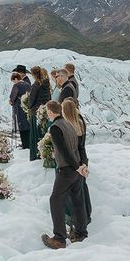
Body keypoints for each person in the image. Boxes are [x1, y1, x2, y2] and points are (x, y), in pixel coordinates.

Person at [41, 101, 88, 249]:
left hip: (67, 170)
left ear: (50, 111)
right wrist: (82, 165)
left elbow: (63, 151)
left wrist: (76, 167)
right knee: (77, 200)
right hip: (76, 171)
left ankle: (59, 238)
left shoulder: (55, 127)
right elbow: (79, 147)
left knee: (55, 200)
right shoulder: (69, 124)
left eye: (47, 112)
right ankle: (81, 233)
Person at [62, 98, 92, 232]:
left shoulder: (67, 126)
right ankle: (86, 215)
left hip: (72, 163)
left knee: (72, 194)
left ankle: (75, 222)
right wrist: (84, 163)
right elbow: (81, 147)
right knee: (82, 189)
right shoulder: (80, 122)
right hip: (82, 159)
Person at [28, 66, 51, 161]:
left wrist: (28, 105)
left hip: (36, 112)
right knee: (43, 132)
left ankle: (36, 155)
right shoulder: (46, 84)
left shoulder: (36, 85)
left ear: (34, 75)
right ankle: (44, 153)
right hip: (44, 112)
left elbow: (31, 100)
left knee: (35, 134)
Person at [9, 72, 30, 149]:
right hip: (27, 108)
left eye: (13, 80)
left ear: (16, 79)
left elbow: (12, 97)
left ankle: (25, 144)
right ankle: (29, 143)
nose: (13, 82)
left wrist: (11, 101)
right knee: (27, 125)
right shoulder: (27, 84)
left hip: (19, 108)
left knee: (21, 126)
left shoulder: (16, 85)